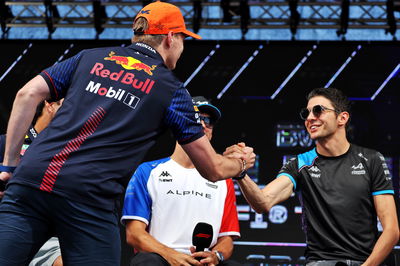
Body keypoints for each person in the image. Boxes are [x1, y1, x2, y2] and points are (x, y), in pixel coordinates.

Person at [0, 2, 255, 266]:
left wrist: (9, 164)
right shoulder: (171, 89)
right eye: (182, 38)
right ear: (170, 38)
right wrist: (241, 164)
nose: (182, 47)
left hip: (31, 180)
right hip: (88, 196)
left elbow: (27, 94)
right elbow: (212, 169)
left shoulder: (90, 57)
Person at [226, 88, 399, 266]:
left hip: (365, 262)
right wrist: (241, 173)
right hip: (321, 262)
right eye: (306, 113)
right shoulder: (301, 163)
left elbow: (392, 230)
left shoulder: (371, 160)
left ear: (342, 118)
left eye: (318, 110)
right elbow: (263, 202)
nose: (309, 118)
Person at [122, 96, 242, 266]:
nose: (203, 125)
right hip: (161, 259)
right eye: (197, 118)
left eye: (208, 121)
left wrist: (216, 255)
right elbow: (134, 234)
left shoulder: (224, 181)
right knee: (146, 262)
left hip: (203, 262)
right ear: (178, 123)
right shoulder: (148, 172)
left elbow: (227, 240)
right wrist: (171, 255)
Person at [0, 99, 64, 266]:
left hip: (47, 232)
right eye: (66, 104)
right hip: (8, 224)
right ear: (49, 105)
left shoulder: (65, 154)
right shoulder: (8, 144)